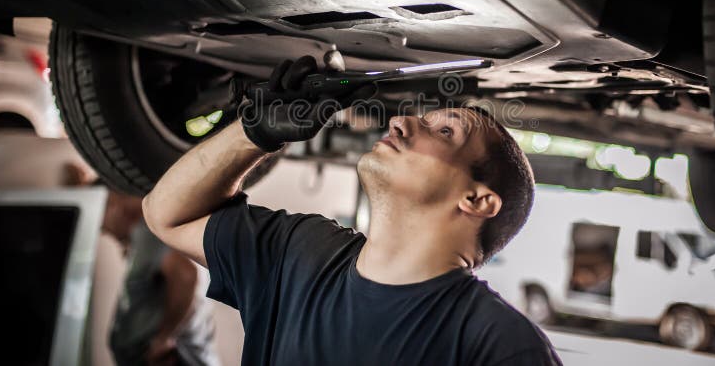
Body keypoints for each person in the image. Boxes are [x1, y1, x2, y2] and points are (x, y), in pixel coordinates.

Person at [143, 53, 562, 365]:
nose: (401, 123)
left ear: (477, 200)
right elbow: (166, 215)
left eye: (445, 131)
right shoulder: (302, 252)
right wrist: (257, 130)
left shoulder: (499, 346)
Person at [102, 190, 220, 366]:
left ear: (114, 204)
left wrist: (164, 337)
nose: (105, 232)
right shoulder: (151, 231)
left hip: (175, 359)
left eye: (102, 225)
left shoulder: (151, 231)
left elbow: (186, 275)